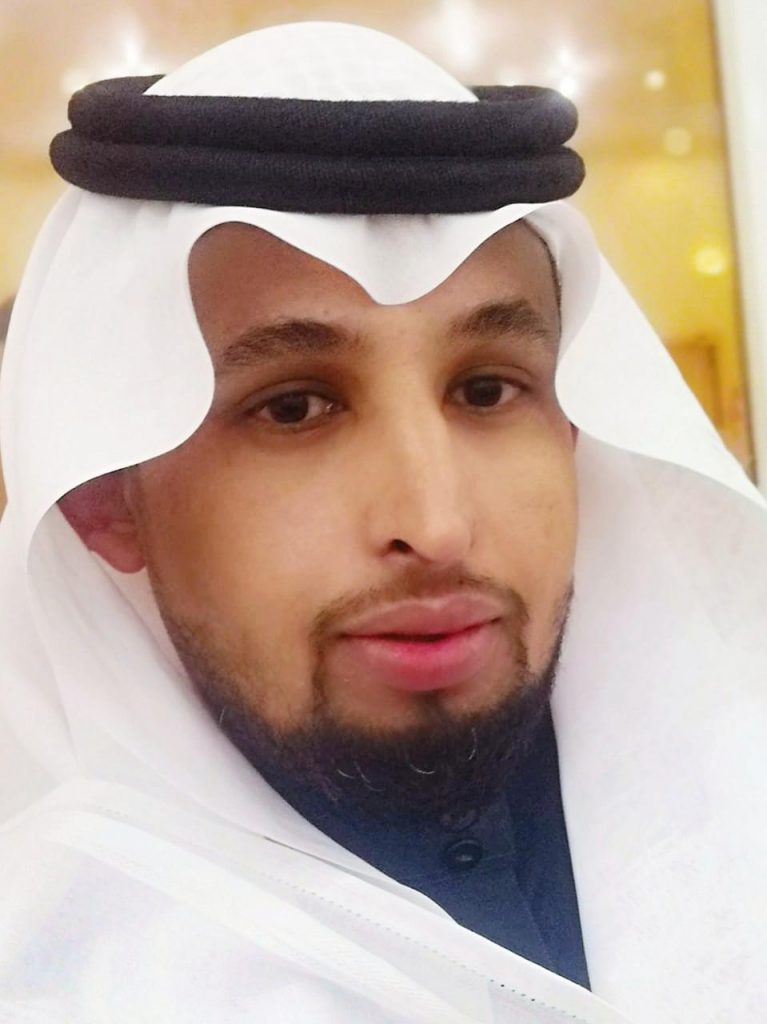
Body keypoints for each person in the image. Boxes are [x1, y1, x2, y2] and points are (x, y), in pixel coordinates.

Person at [0, 21, 765, 1024]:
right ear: (105, 498)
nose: (434, 523)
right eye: (292, 408)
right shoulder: (59, 975)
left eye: (487, 389)